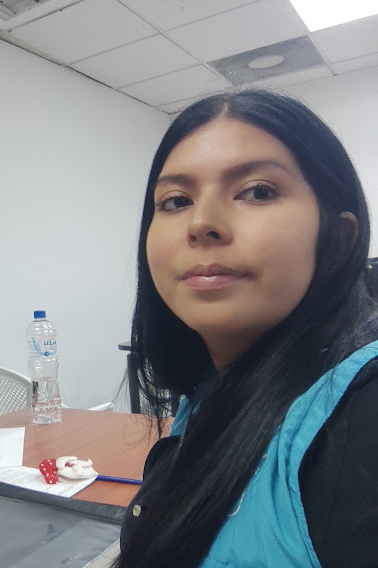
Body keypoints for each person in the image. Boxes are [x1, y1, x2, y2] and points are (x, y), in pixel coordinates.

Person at [116, 90, 378, 567]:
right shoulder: (207, 388)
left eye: (258, 191)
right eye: (176, 200)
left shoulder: (364, 411)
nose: (201, 223)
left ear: (338, 239)